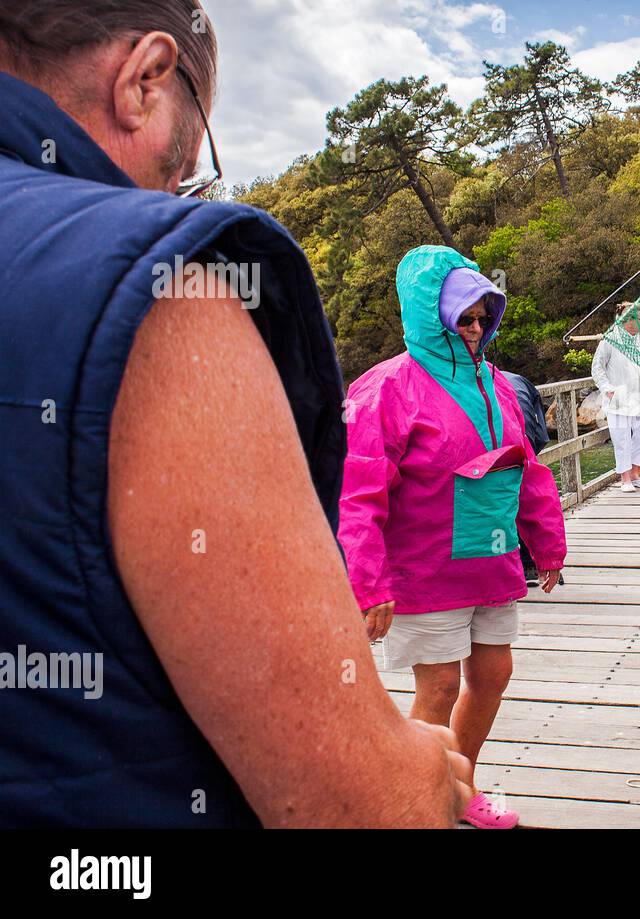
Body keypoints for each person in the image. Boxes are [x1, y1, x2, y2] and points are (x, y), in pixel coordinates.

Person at [0, 0, 469, 827]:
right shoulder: (156, 297)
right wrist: (424, 772)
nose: (180, 185)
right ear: (145, 79)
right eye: (195, 155)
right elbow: (359, 806)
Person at [339, 246, 567, 830]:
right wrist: (369, 582)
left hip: (491, 563)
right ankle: (413, 804)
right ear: (431, 316)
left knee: (493, 675)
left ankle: (458, 788)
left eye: (481, 317)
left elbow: (527, 468)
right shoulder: (385, 390)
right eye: (462, 316)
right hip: (422, 570)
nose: (473, 329)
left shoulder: (497, 383)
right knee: (438, 686)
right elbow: (358, 493)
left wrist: (547, 544)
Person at [592, 302, 640, 493]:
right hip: (618, 398)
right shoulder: (610, 340)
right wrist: (607, 389)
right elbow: (597, 368)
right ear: (628, 320)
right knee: (621, 438)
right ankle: (625, 478)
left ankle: (633, 472)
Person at [500, 369, 551, 586]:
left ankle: (523, 562)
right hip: (522, 430)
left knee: (507, 499)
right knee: (526, 494)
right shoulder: (517, 379)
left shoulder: (475, 380)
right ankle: (534, 561)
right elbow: (539, 421)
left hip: (505, 433)